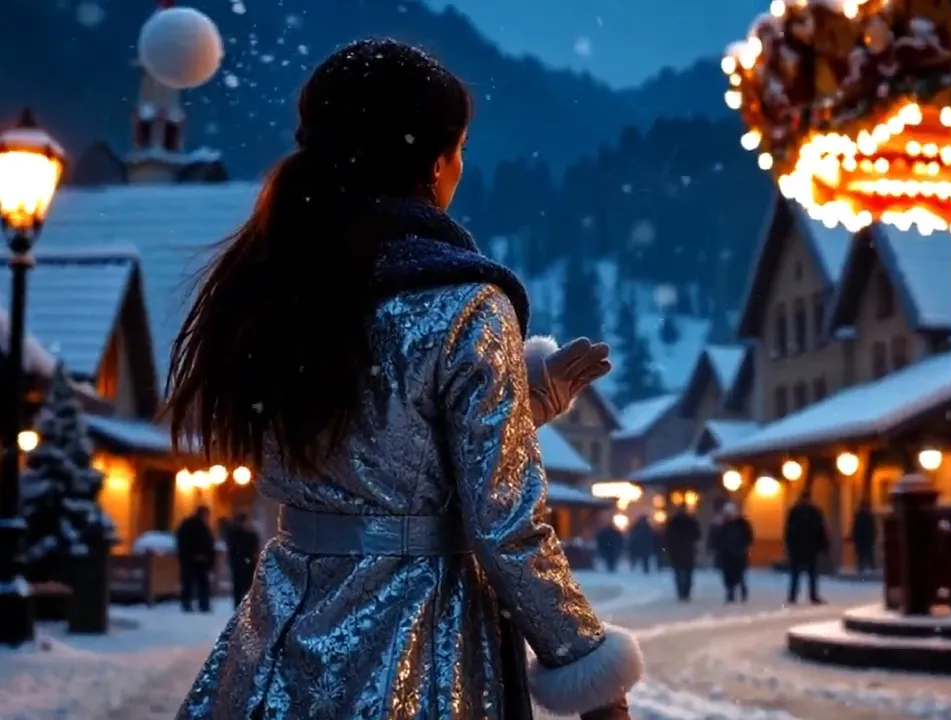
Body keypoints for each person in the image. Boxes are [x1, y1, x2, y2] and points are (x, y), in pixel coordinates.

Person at [165, 40, 640, 720]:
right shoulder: (464, 302)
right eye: (462, 147)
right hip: (418, 639)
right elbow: (505, 524)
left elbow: (359, 441)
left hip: (281, 625)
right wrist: (587, 666)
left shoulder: (278, 285)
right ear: (434, 161)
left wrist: (520, 405)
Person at [784, 490, 829, 605]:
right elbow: (820, 530)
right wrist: (823, 546)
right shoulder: (814, 512)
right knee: (811, 574)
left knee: (796, 574)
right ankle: (812, 596)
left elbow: (789, 530)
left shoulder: (794, 511)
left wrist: (789, 545)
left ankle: (793, 596)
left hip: (798, 548)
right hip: (810, 547)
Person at [175, 506, 215, 613]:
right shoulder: (190, 525)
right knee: (190, 582)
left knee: (200, 583)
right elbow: (184, 542)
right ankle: (190, 604)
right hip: (191, 560)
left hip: (199, 560)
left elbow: (208, 543)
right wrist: (194, 555)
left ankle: (202, 604)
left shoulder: (202, 526)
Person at [714, 503, 753, 603]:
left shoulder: (742, 524)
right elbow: (718, 538)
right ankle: (730, 592)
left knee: (739, 574)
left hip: (738, 554)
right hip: (727, 554)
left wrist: (742, 546)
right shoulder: (723, 524)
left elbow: (749, 537)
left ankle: (741, 590)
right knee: (728, 575)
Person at [663, 504, 701, 601]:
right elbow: (697, 535)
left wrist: (667, 549)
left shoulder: (672, 522)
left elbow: (667, 537)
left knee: (678, 572)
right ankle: (686, 592)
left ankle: (681, 592)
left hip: (676, 551)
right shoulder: (691, 521)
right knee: (688, 572)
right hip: (688, 550)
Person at [225, 512, 261, 607]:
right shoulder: (234, 534)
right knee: (239, 585)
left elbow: (255, 547)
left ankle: (249, 604)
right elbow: (236, 549)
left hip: (249, 563)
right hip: (239, 563)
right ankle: (239, 604)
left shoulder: (251, 534)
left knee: (249, 585)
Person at [852, 498, 877, 574]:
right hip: (866, 538)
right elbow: (872, 528)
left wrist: (855, 537)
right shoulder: (869, 516)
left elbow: (856, 528)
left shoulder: (859, 516)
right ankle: (870, 567)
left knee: (862, 554)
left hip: (861, 539)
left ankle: (862, 568)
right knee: (868, 553)